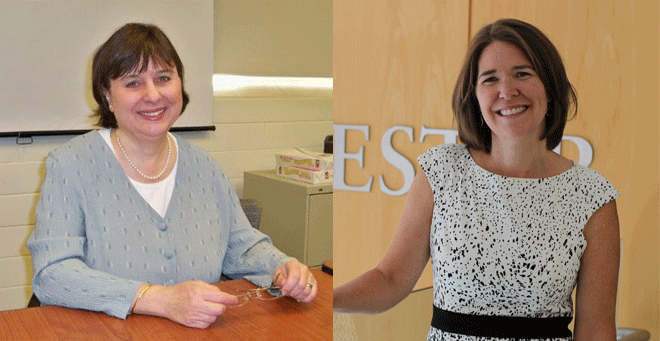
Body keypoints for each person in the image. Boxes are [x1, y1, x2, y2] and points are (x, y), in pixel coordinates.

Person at [333, 18, 620, 341]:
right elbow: (390, 279)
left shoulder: (592, 196)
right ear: (474, 96)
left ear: (550, 86)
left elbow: (596, 328)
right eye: (490, 79)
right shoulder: (441, 171)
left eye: (522, 74)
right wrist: (327, 299)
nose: (506, 91)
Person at [28, 23, 317, 329]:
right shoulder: (70, 166)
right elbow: (52, 274)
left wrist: (280, 267)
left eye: (164, 78)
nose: (153, 95)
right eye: (133, 83)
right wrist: (160, 300)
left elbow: (241, 247)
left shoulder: (206, 169)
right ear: (107, 95)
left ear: (180, 84)